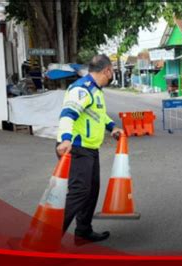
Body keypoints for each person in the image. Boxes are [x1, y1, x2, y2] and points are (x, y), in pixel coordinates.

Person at [56, 54, 124, 243]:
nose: (112, 75)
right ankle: (49, 236)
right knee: (79, 192)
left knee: (92, 190)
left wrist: (113, 127)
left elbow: (99, 116)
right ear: (107, 70)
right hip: (75, 147)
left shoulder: (97, 90)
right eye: (112, 71)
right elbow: (68, 114)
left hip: (90, 148)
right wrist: (65, 139)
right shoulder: (82, 89)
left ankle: (83, 231)